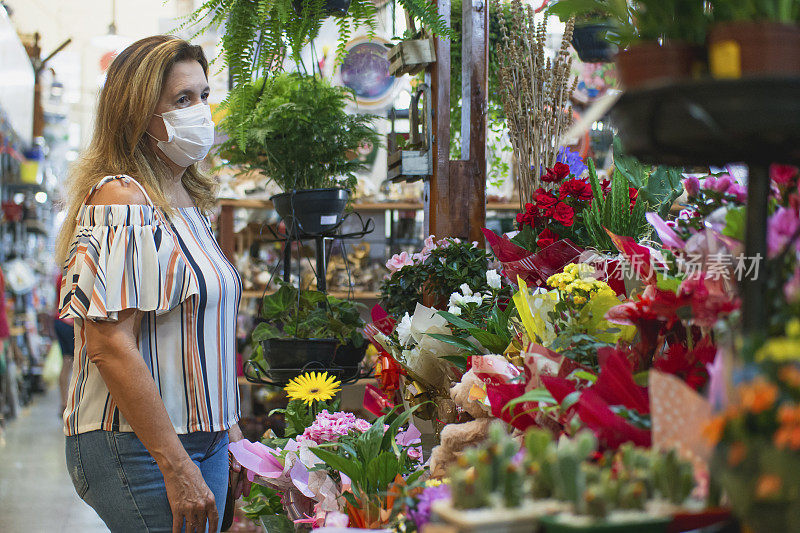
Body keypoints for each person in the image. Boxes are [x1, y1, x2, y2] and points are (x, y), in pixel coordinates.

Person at [56, 35, 250, 533]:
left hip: (200, 438)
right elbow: (109, 345)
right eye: (182, 100)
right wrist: (177, 466)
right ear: (138, 114)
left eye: (204, 96)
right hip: (139, 445)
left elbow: (203, 331)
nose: (201, 111)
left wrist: (227, 433)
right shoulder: (124, 199)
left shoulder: (189, 201)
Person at [53, 273, 75, 415]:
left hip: (60, 319)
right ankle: (70, 403)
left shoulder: (61, 275)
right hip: (69, 321)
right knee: (74, 362)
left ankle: (64, 402)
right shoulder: (72, 272)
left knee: (66, 361)